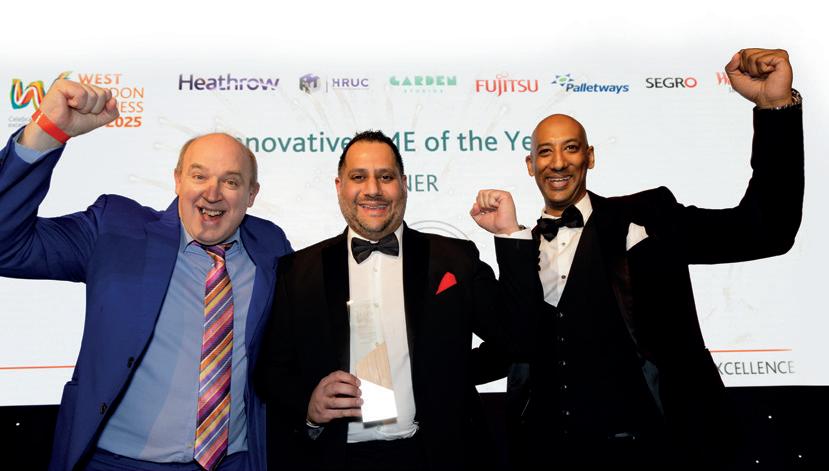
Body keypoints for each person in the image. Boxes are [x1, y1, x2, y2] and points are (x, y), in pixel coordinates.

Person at [469, 48, 803, 468]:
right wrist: (413, 372)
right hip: (553, 454)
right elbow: (507, 349)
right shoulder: (520, 249)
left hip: (656, 448)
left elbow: (764, 230)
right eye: (545, 152)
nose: (558, 163)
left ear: (590, 156)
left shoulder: (647, 216)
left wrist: (775, 108)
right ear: (530, 164)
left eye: (570, 148)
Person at [0, 79, 292, 471]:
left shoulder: (271, 246)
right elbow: (6, 246)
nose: (213, 192)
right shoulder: (115, 230)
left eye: (231, 181)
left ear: (252, 194)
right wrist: (46, 132)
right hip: (118, 463)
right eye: (199, 176)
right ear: (177, 180)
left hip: (235, 462)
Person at [254, 130, 535, 470]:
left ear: (404, 184)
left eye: (385, 177)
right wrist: (308, 405)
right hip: (337, 460)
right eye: (359, 177)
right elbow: (271, 371)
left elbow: (518, 337)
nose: (373, 189)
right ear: (339, 186)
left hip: (436, 457)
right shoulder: (298, 271)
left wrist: (510, 235)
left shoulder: (454, 258)